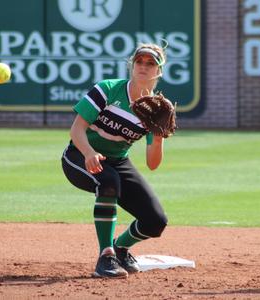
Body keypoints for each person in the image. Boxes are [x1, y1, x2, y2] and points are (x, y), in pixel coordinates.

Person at [61, 43, 170, 278]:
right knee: (108, 182)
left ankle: (120, 248)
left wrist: (159, 138)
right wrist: (89, 152)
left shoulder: (155, 109)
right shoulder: (108, 89)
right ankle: (106, 256)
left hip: (118, 161)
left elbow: (152, 163)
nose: (143, 66)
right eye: (139, 61)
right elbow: (76, 129)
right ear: (132, 65)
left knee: (155, 221)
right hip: (79, 154)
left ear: (158, 71)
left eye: (150, 63)